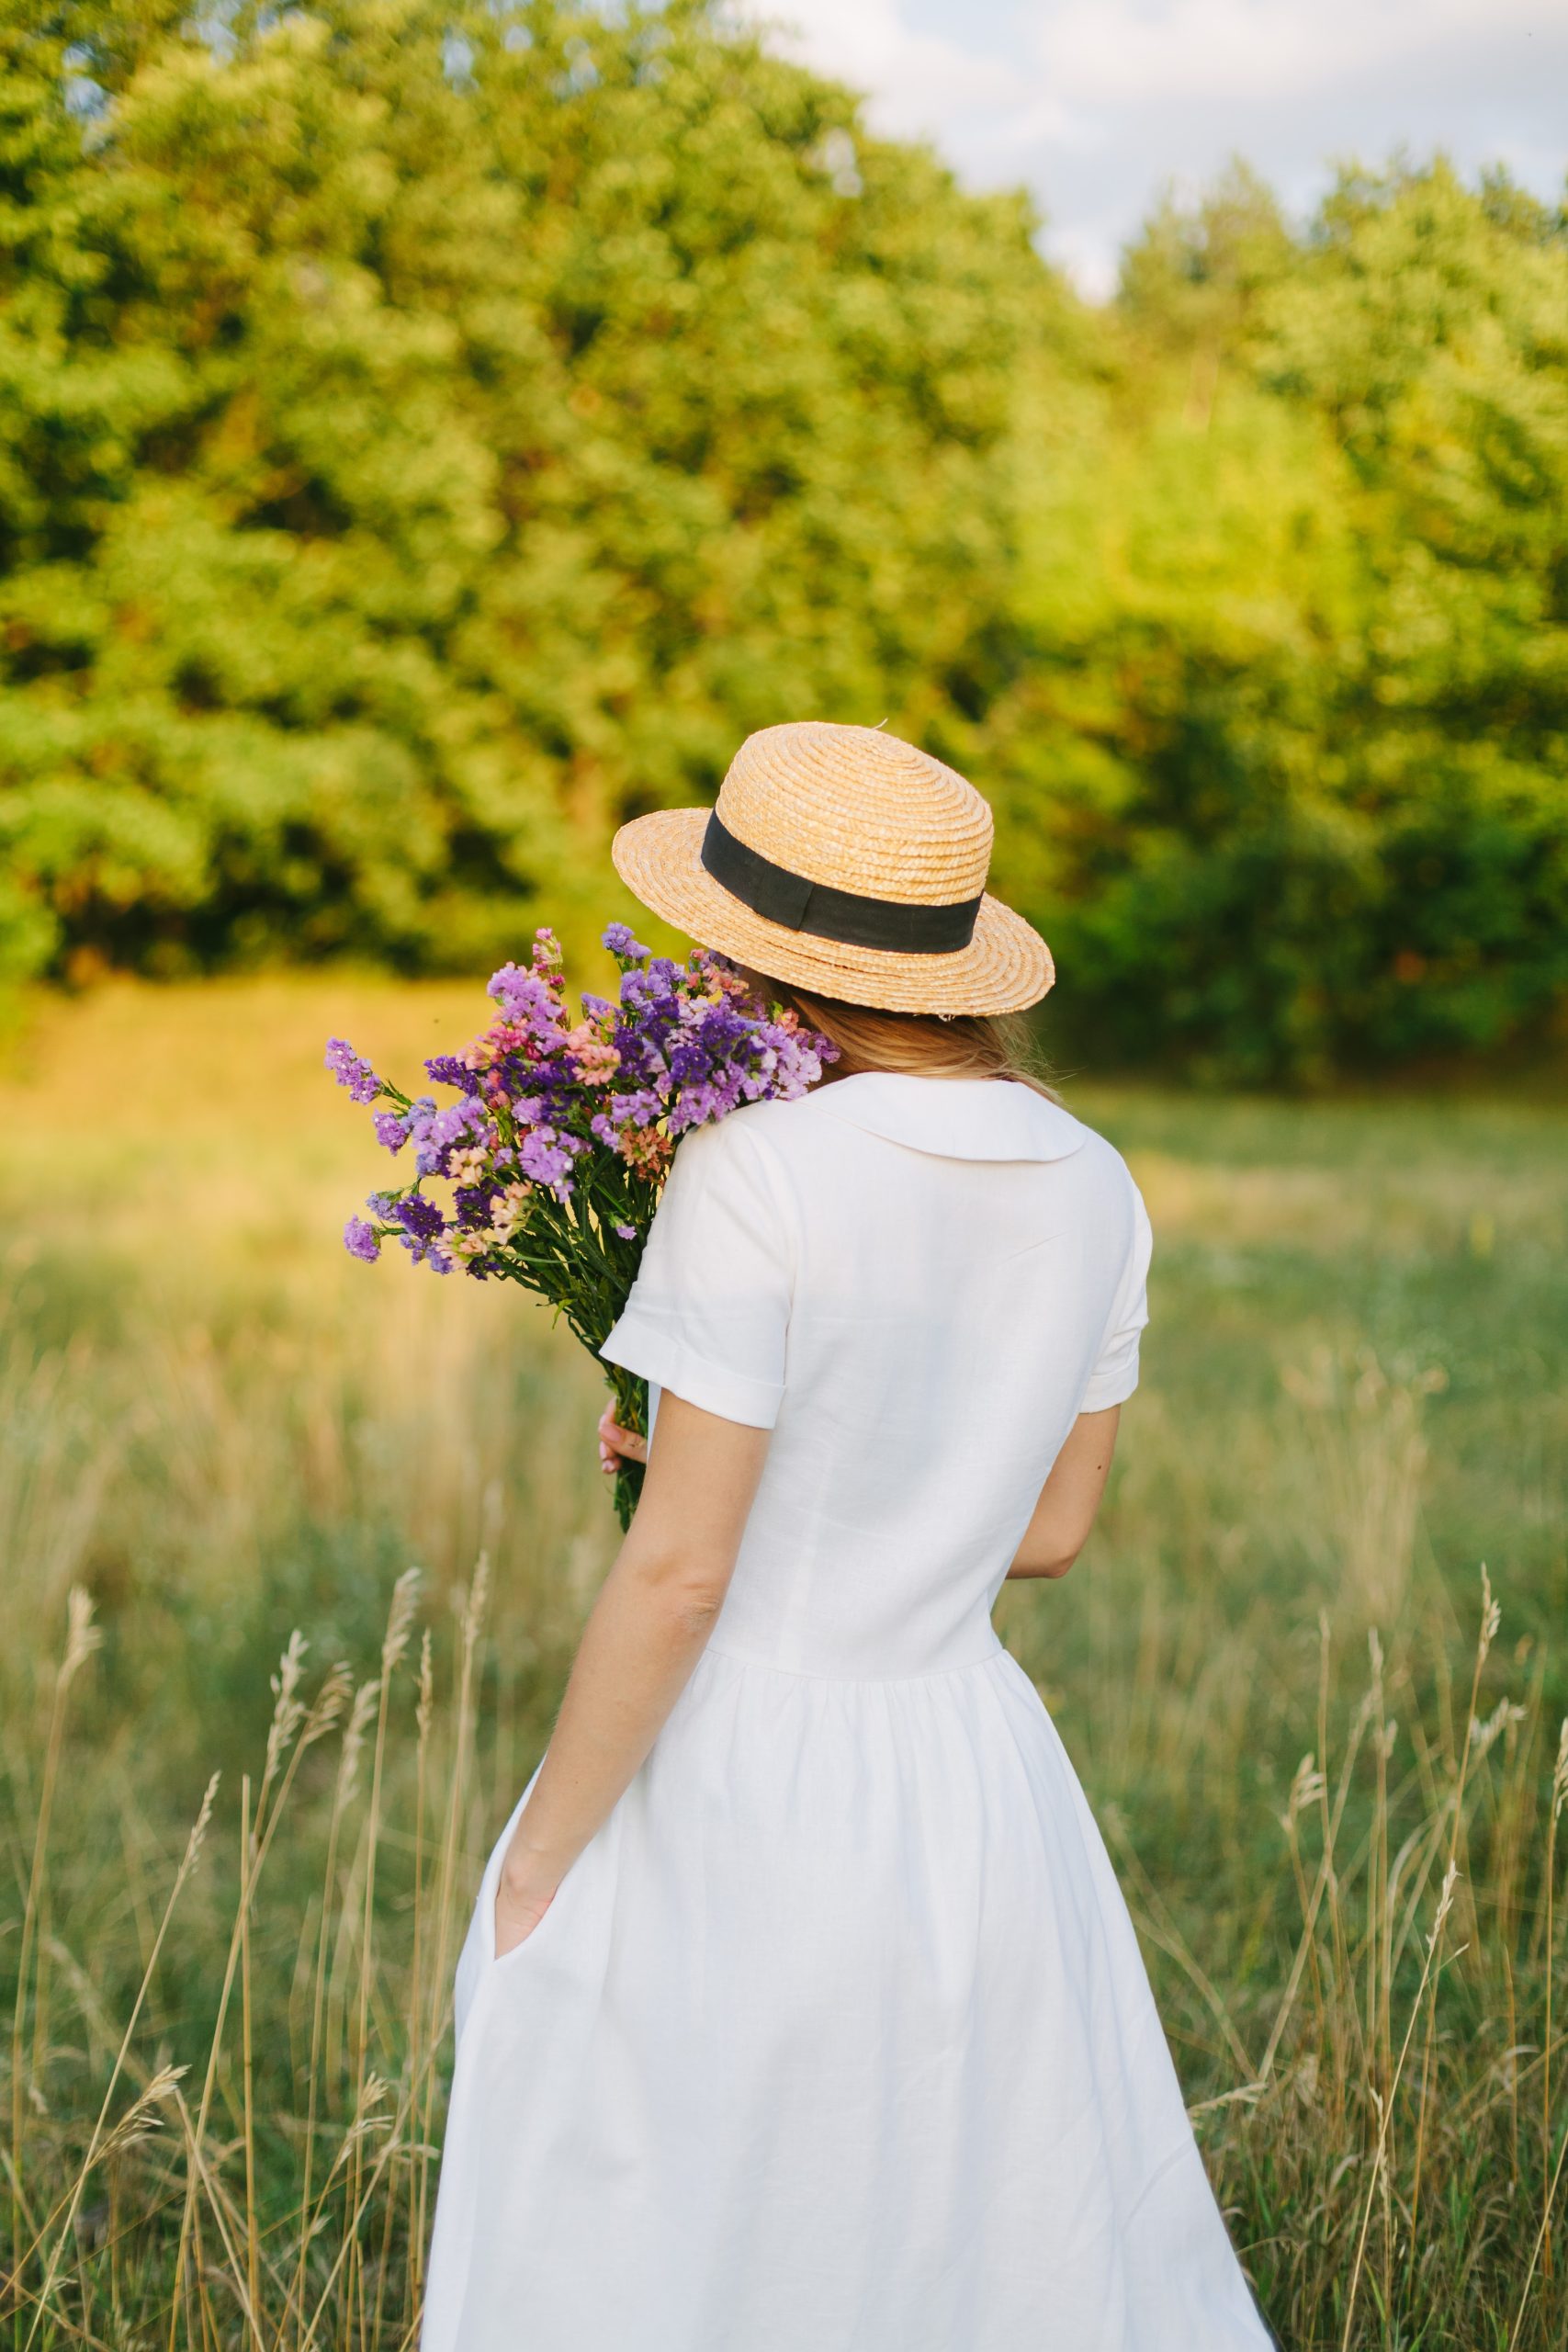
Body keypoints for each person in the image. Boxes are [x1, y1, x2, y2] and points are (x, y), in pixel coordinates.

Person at [421, 723, 1272, 2350]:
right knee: (966, 2211)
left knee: (708, 2206)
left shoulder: (754, 1170)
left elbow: (684, 1577)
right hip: (976, 1767)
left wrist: (537, 1860)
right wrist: (755, 1467)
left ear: (753, 961)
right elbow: (1054, 1529)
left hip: (752, 1764)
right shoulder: (1100, 1182)